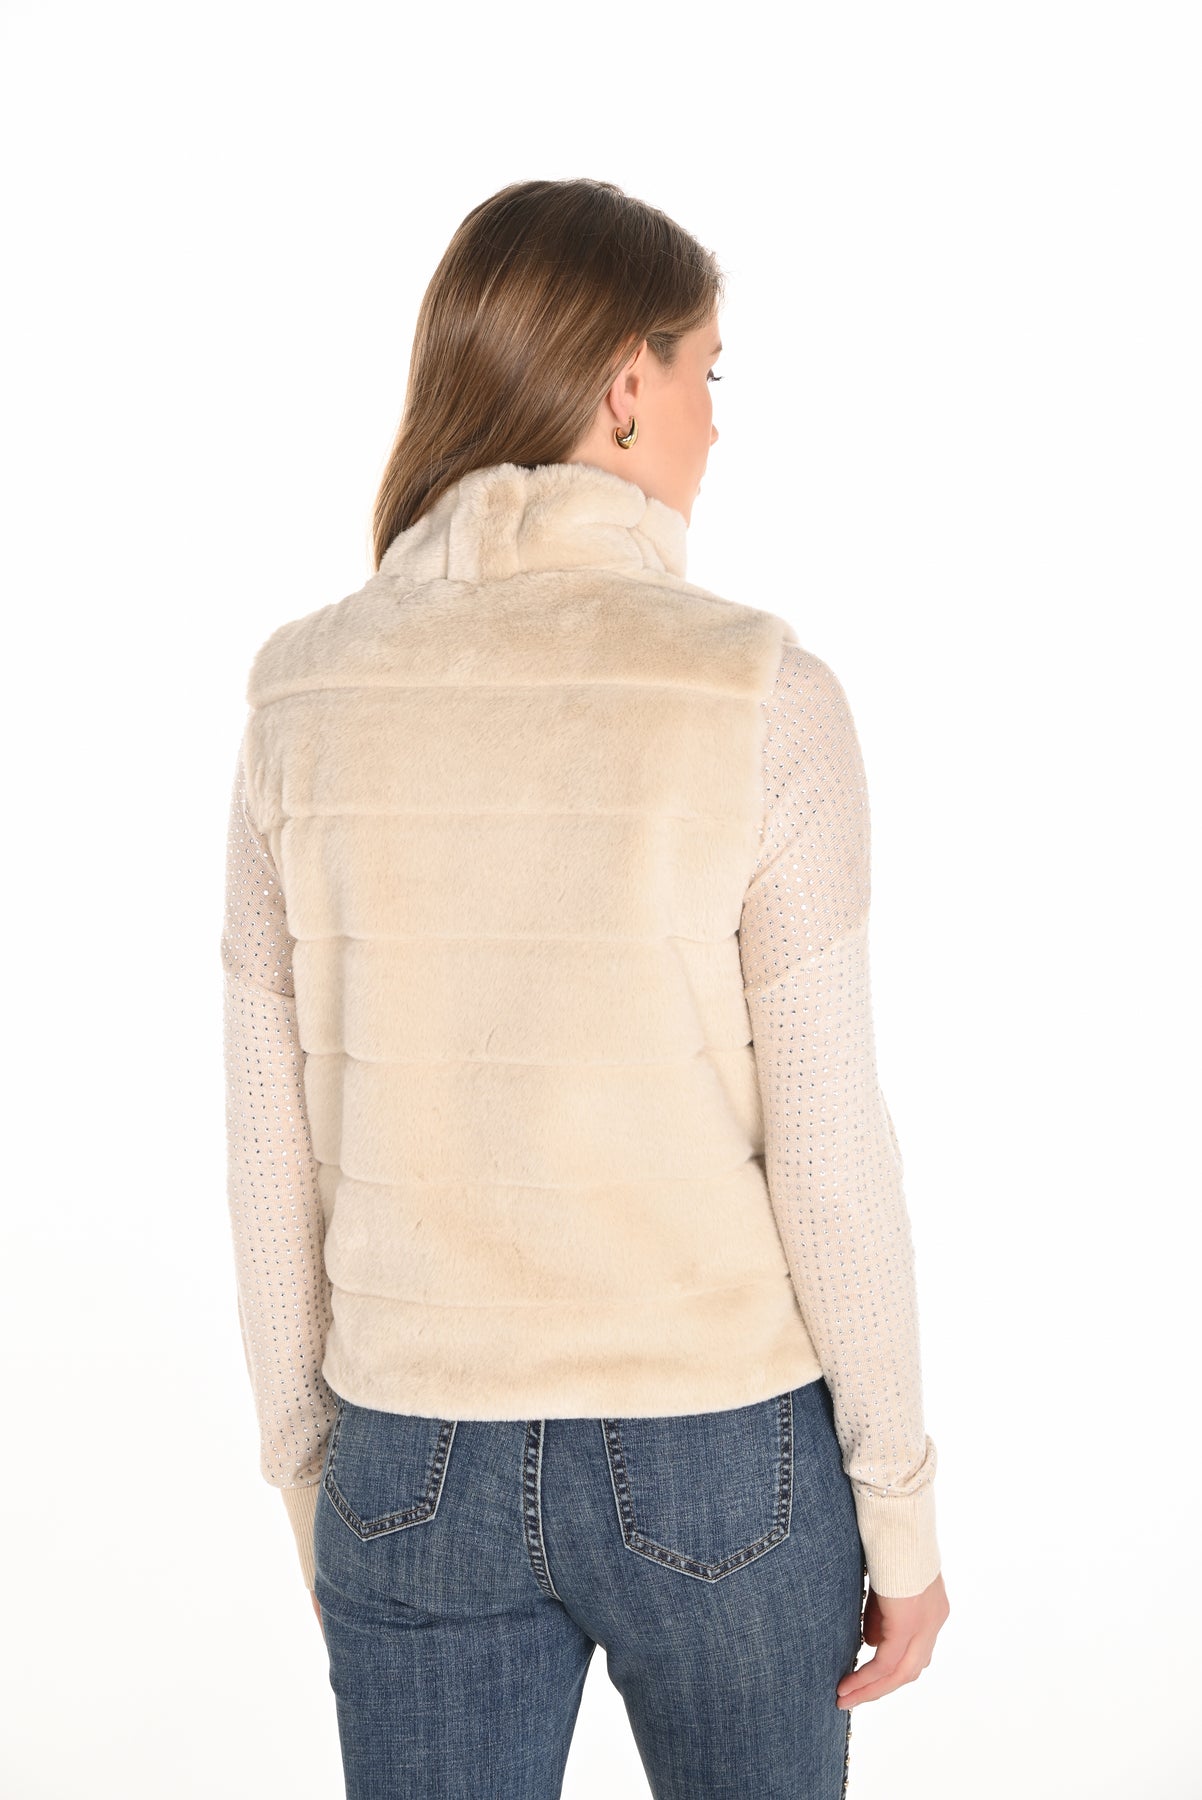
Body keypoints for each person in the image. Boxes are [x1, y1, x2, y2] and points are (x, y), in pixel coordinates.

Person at [221, 175, 949, 1800]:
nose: (715, 420)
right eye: (705, 371)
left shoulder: (301, 695)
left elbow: (269, 1144)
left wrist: (316, 1480)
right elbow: (830, 1149)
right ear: (626, 385)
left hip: (411, 1445)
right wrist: (896, 1507)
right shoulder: (756, 690)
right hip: (723, 1449)